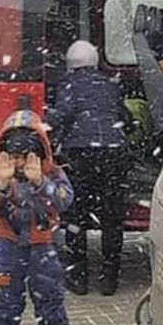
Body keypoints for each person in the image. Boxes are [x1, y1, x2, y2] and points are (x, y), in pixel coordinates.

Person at [0, 110, 77, 325]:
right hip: (7, 249)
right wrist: (0, 184)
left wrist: (40, 183)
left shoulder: (53, 174)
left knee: (51, 304)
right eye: (14, 156)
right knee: (5, 308)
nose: (20, 163)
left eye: (26, 156)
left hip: (42, 248)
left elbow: (64, 201)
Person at [46, 41, 128, 296]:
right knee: (111, 218)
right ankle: (109, 279)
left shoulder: (69, 85)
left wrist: (40, 122)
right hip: (114, 154)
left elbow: (61, 115)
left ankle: (78, 278)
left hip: (81, 155)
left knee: (76, 215)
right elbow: (125, 118)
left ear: (71, 64)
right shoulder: (109, 85)